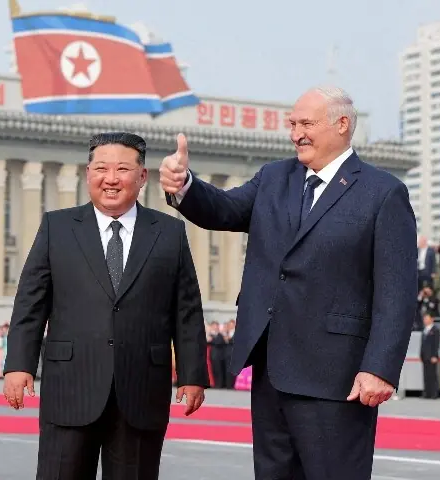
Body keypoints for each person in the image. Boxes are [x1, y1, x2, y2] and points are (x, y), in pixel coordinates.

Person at [159, 86, 417, 479]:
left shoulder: (383, 193)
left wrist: (380, 368)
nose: (296, 133)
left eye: (306, 123)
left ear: (342, 124)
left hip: (337, 376)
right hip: (272, 368)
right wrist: (184, 186)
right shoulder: (274, 178)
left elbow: (396, 292)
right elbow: (224, 210)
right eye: (292, 124)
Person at [3, 132, 209, 480]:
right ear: (87, 173)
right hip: (71, 385)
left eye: (123, 169)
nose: (111, 179)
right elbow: (30, 303)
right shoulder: (58, 226)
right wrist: (18, 364)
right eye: (101, 168)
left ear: (142, 177)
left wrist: (192, 375)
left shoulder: (169, 233)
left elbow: (186, 310)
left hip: (141, 388)